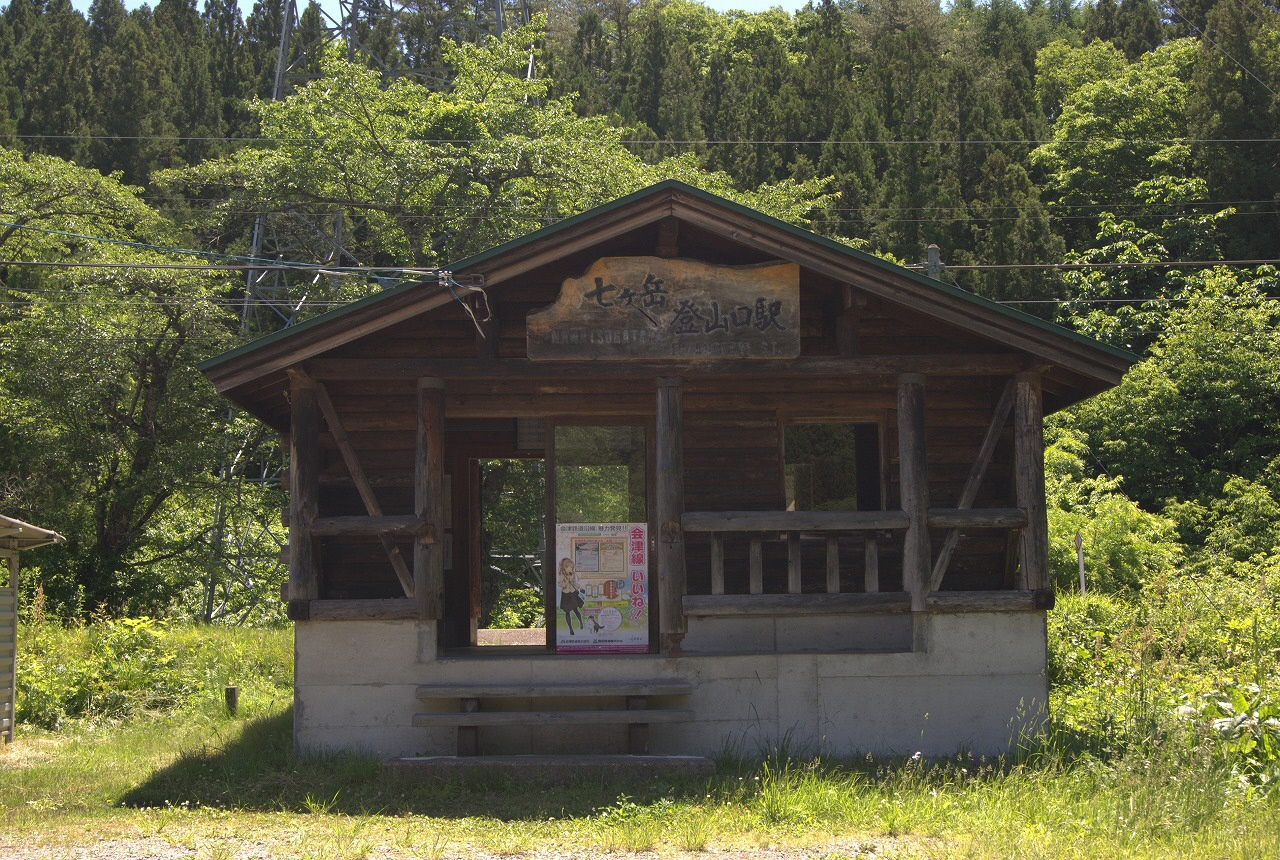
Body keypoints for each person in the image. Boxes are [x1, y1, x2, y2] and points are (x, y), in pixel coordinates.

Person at [557, 557, 586, 635]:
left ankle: (581, 622)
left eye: (572, 567)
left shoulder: (572, 574)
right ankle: (570, 629)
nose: (571, 568)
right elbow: (559, 583)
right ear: (565, 567)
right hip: (566, 594)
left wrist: (580, 587)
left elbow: (574, 583)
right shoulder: (562, 575)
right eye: (570, 567)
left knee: (576, 610)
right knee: (567, 612)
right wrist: (566, 583)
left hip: (573, 593)